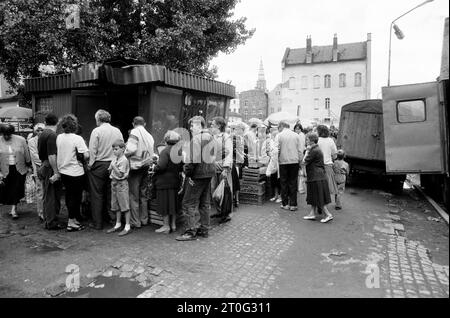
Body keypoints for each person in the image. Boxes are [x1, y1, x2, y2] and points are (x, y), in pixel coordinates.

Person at [176, 116, 216, 241]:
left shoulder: (197, 139)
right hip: (208, 173)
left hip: (198, 174)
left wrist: (187, 173)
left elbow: (193, 160)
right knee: (204, 203)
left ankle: (190, 231)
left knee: (188, 203)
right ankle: (204, 229)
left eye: (192, 125)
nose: (191, 128)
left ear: (200, 125)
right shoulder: (210, 137)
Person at [87, 109, 124, 230]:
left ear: (98, 119)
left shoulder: (96, 131)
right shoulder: (117, 131)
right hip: (114, 164)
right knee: (112, 193)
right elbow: (122, 147)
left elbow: (93, 150)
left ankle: (98, 223)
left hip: (99, 164)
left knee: (97, 194)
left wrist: (91, 165)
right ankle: (113, 220)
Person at [56, 115, 89, 231]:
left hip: (63, 171)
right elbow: (86, 155)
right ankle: (71, 222)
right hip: (76, 172)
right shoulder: (77, 138)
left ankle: (73, 219)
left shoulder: (59, 137)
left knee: (69, 196)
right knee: (76, 197)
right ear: (74, 125)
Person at [124, 116, 154, 229]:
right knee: (143, 195)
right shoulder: (149, 135)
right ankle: (144, 219)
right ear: (144, 124)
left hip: (135, 167)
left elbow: (131, 149)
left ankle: (135, 222)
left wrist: (123, 154)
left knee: (133, 195)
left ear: (133, 124)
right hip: (146, 166)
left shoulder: (134, 132)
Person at [153, 130, 183, 234]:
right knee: (173, 204)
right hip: (175, 181)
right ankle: (173, 225)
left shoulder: (165, 151)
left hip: (164, 181)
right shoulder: (178, 151)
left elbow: (161, 166)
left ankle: (166, 226)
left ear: (166, 140)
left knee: (165, 204)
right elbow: (182, 166)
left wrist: (154, 167)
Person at [38, 113, 63, 230]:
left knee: (47, 195)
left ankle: (49, 220)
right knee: (51, 196)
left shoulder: (43, 133)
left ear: (45, 122)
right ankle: (51, 222)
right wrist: (56, 172)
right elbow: (52, 155)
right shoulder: (52, 135)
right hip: (49, 166)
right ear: (57, 122)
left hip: (44, 165)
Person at [0, 124, 31, 219]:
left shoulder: (21, 140)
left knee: (17, 188)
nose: (6, 136)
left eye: (8, 134)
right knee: (8, 189)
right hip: (5, 169)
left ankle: (14, 209)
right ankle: (12, 207)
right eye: (4, 134)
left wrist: (29, 165)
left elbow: (26, 153)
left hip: (19, 168)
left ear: (12, 133)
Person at [303, 132, 334, 223]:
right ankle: (312, 213)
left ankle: (328, 214)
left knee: (318, 197)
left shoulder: (313, 150)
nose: (306, 141)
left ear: (312, 141)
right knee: (314, 195)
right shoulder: (316, 149)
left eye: (307, 139)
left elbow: (304, 161)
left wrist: (307, 151)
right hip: (318, 175)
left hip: (315, 176)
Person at [210, 116, 233, 223]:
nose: (210, 126)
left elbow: (229, 153)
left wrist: (226, 168)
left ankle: (226, 214)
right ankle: (219, 210)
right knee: (214, 190)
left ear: (218, 126)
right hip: (213, 168)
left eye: (212, 124)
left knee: (224, 190)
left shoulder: (225, 137)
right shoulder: (212, 137)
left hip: (223, 168)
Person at [277, 120, 304, 211]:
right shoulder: (296, 135)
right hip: (294, 161)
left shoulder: (280, 135)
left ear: (281, 126)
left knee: (284, 182)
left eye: (278, 128)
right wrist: (300, 161)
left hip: (283, 161)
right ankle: (293, 204)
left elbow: (276, 149)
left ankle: (285, 204)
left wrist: (277, 158)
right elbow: (300, 150)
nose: (278, 129)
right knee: (293, 182)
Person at [106, 140, 131, 236]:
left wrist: (113, 166)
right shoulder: (115, 159)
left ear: (123, 149)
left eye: (116, 149)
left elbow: (120, 174)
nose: (114, 151)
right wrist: (111, 167)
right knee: (116, 205)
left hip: (121, 184)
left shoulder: (124, 160)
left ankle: (127, 226)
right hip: (114, 183)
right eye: (113, 149)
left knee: (124, 205)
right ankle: (118, 224)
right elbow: (109, 171)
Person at [317, 125, 338, 206]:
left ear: (319, 131)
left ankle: (319, 203)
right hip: (328, 167)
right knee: (327, 188)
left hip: (318, 166)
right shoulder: (331, 140)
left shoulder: (317, 140)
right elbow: (335, 155)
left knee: (318, 186)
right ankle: (324, 204)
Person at [28, 123, 45, 221]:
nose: (40, 132)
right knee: (40, 191)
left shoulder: (48, 139)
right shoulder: (32, 141)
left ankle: (48, 211)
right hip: (39, 168)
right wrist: (46, 162)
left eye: (42, 130)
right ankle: (41, 212)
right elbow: (35, 156)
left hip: (48, 168)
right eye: (38, 130)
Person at [266, 126, 281, 202]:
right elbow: (270, 152)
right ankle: (275, 196)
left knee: (279, 182)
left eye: (273, 135)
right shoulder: (271, 142)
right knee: (274, 181)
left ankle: (279, 196)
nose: (272, 136)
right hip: (273, 163)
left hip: (278, 164)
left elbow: (277, 153)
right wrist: (269, 153)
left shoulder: (278, 143)